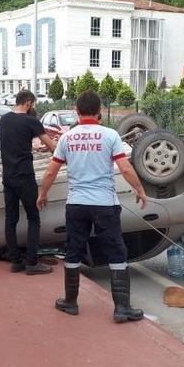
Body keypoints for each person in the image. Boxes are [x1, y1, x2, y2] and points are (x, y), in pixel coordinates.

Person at [37, 90, 149, 323]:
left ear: (76, 111)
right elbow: (125, 168)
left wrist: (43, 194)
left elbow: (51, 171)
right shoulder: (110, 135)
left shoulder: (67, 138)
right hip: (105, 204)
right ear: (99, 111)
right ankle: (122, 308)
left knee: (74, 249)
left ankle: (70, 302)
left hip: (76, 204)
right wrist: (139, 189)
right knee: (116, 251)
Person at [0, 90, 57, 274]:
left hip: (8, 176)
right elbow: (52, 148)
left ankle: (16, 261)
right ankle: (32, 263)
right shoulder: (31, 121)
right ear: (29, 103)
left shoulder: (4, 120)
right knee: (33, 217)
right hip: (24, 176)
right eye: (34, 104)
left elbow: (13, 141)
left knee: (11, 219)